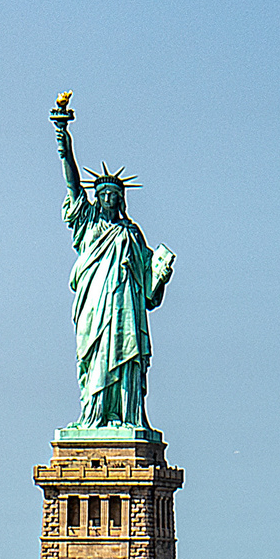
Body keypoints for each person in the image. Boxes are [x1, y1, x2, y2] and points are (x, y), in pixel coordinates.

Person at [54, 95, 175, 432]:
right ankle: (93, 416)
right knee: (93, 357)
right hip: (94, 304)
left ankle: (128, 416)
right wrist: (64, 141)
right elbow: (71, 182)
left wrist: (162, 273)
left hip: (124, 304)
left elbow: (149, 288)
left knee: (126, 357)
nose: (107, 198)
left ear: (120, 199)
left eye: (113, 194)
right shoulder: (88, 222)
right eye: (102, 193)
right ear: (96, 197)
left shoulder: (132, 233)